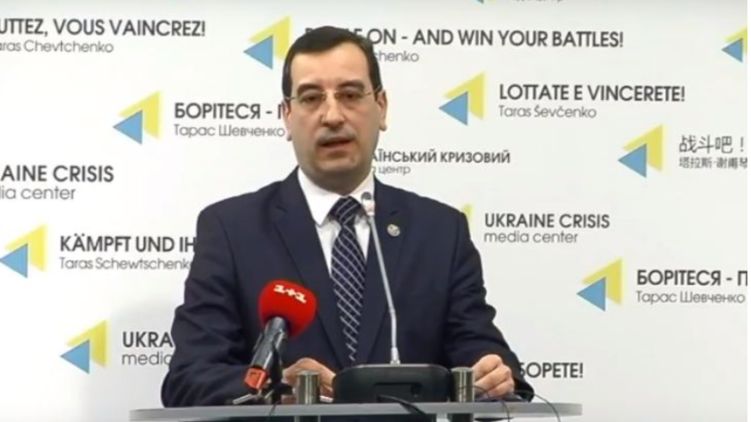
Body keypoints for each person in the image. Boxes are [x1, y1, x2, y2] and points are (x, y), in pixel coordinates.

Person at [161, 25, 533, 407]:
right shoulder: (232, 230)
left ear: (381, 107)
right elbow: (189, 379)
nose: (332, 115)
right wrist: (277, 386)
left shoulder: (440, 232)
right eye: (311, 98)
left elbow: (482, 353)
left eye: (351, 95)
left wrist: (494, 374)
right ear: (287, 116)